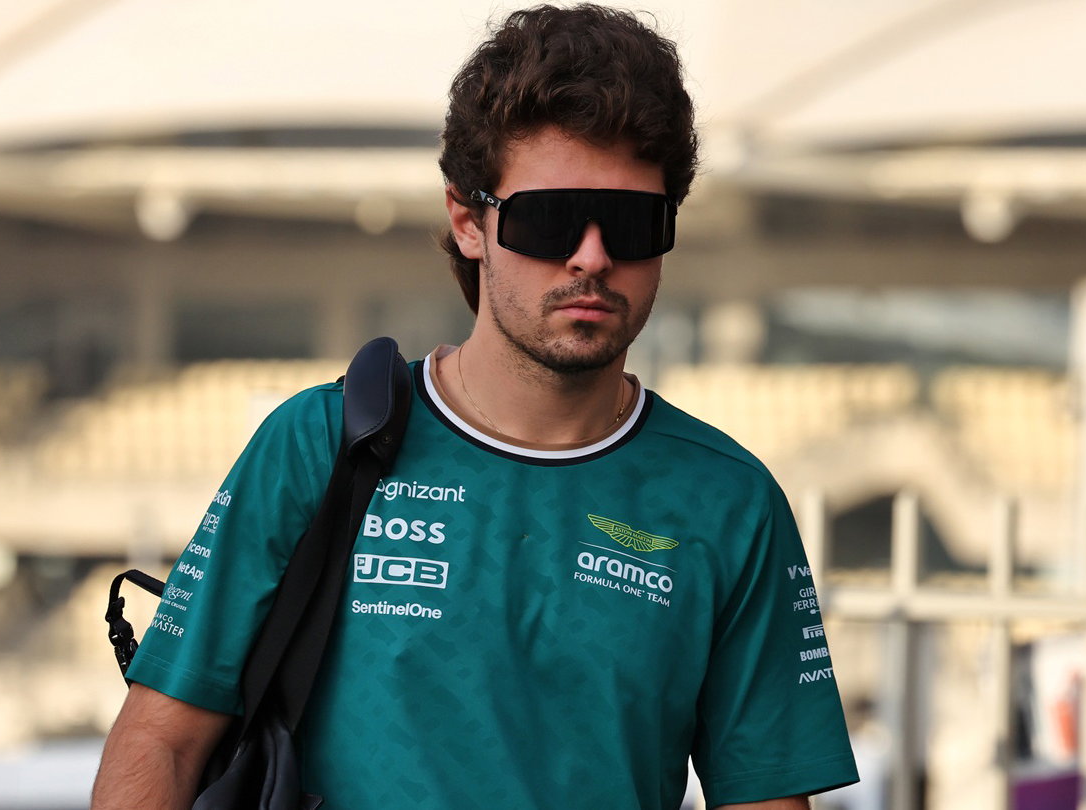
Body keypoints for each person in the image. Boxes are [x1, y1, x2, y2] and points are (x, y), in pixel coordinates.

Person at [91, 5, 859, 808]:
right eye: (551, 218)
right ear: (468, 220)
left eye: (633, 223)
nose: (592, 256)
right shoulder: (318, 444)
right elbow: (161, 742)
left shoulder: (731, 502)